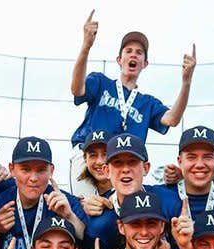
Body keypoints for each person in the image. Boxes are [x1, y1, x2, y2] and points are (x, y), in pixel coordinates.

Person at [67, 11, 195, 195]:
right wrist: (86, 46)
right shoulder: (102, 82)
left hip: (121, 162)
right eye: (128, 51)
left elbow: (172, 119)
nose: (133, 55)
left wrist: (186, 82)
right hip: (90, 156)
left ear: (145, 63)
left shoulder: (147, 103)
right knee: (86, 210)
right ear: (119, 60)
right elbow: (77, 89)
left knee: (120, 215)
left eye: (139, 52)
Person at [0, 137, 89, 249]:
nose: (33, 178)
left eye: (41, 170)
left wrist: (69, 216)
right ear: (12, 169)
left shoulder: (65, 202)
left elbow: (91, 244)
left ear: (51, 170)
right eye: (25, 170)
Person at [83, 133, 178, 249]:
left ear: (146, 168)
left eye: (132, 162)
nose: (125, 169)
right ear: (107, 171)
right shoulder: (100, 224)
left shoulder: (168, 201)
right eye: (117, 163)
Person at [152, 126, 214, 218]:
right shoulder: (159, 196)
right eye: (191, 157)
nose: (199, 165)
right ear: (180, 161)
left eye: (207, 157)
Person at [71, 129, 112, 197]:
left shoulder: (128, 189)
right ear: (85, 159)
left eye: (105, 154)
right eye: (93, 155)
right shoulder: (78, 189)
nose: (100, 162)